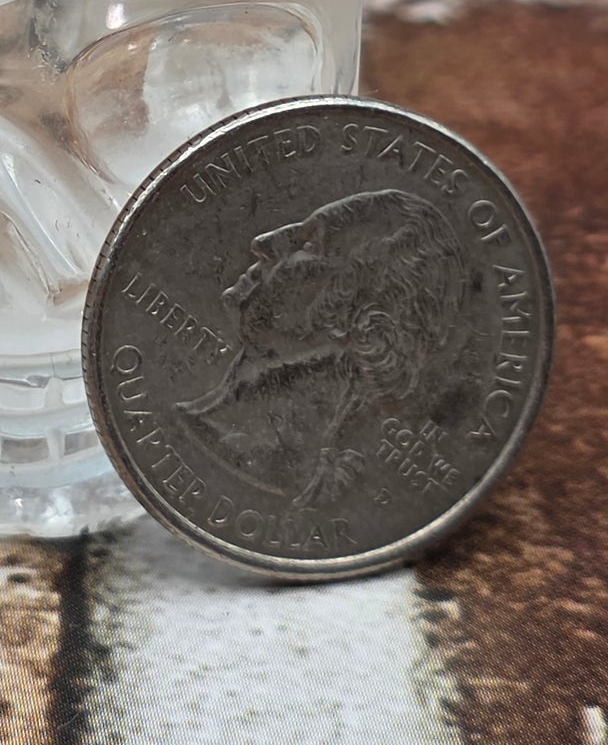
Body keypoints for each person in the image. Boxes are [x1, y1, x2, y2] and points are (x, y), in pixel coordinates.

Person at [179, 186, 468, 510]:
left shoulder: (325, 489)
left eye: (309, 245)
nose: (264, 243)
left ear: (359, 321)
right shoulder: (192, 429)